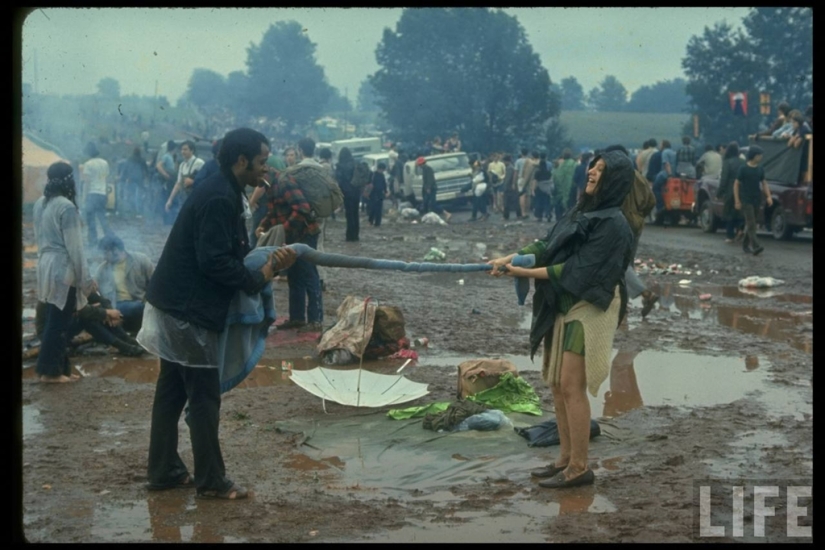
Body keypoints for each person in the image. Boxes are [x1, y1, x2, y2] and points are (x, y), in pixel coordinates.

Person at [138, 127, 297, 500]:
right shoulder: (220, 198)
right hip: (187, 313)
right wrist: (261, 275)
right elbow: (214, 262)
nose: (266, 168)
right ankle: (210, 480)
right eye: (261, 162)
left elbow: (225, 251)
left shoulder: (223, 190)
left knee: (171, 392)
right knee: (204, 397)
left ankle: (163, 470)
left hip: (174, 303)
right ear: (241, 161)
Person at [488, 150, 635, 489]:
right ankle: (565, 459)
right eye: (593, 167)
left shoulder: (614, 225)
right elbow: (547, 245)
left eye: (601, 170)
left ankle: (580, 468)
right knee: (556, 384)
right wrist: (510, 258)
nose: (592, 173)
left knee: (571, 386)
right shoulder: (581, 210)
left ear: (614, 180)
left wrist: (522, 272)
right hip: (565, 301)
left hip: (591, 305)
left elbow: (577, 270)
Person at [33, 161, 96, 383]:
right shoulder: (67, 207)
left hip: (44, 265)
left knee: (55, 318)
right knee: (59, 323)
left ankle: (61, 369)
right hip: (61, 268)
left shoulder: (40, 203)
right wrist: (86, 281)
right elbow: (76, 250)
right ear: (69, 181)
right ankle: (51, 373)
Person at [257, 137, 324, 330]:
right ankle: (297, 317)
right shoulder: (270, 185)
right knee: (294, 274)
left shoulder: (283, 182)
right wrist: (263, 225)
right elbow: (274, 211)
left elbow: (302, 208)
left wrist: (283, 229)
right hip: (293, 234)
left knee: (309, 274)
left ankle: (315, 320)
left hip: (305, 232)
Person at [604, 144, 658, 319]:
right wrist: (640, 215)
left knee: (619, 264)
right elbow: (651, 201)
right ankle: (623, 304)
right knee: (628, 264)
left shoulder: (613, 177)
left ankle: (646, 294)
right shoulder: (639, 176)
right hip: (636, 225)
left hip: (619, 224)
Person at [35, 290, 145, 357]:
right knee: (87, 318)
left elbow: (102, 300)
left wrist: (110, 312)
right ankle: (122, 346)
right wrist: (106, 312)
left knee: (100, 311)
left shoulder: (75, 288)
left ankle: (127, 340)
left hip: (63, 329)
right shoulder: (58, 292)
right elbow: (83, 311)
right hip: (50, 336)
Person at [94, 235, 154, 334]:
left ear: (115, 250)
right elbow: (96, 292)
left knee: (139, 308)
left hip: (139, 304)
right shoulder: (102, 270)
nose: (103, 257)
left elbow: (154, 284)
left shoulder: (141, 260)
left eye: (105, 253)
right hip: (115, 306)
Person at [734, 145, 773, 256]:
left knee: (751, 223)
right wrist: (737, 200)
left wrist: (768, 196)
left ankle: (745, 245)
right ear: (754, 156)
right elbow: (736, 184)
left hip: (756, 199)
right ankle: (756, 246)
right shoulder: (743, 169)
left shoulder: (760, 169)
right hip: (746, 200)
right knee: (751, 224)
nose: (761, 157)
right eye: (759, 155)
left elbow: (764, 183)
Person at [79, 141, 113, 245]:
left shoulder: (88, 164)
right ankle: (110, 238)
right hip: (102, 193)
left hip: (92, 194)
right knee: (103, 218)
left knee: (91, 219)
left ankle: (93, 241)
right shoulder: (104, 163)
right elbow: (106, 179)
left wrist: (84, 197)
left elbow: (87, 182)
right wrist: (106, 194)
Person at [165, 140, 205, 215]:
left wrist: (193, 182)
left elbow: (206, 181)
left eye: (185, 149)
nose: (182, 152)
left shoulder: (199, 163)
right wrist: (170, 200)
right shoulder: (182, 165)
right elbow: (178, 184)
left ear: (192, 150)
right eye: (182, 149)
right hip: (183, 199)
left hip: (196, 200)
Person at [717, 141, 746, 243]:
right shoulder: (743, 162)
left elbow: (724, 179)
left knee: (729, 213)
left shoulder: (727, 162)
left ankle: (730, 236)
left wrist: (719, 192)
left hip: (730, 189)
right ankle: (740, 229)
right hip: (742, 190)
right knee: (740, 212)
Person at [335, 147, 361, 242]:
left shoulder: (340, 166)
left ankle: (350, 235)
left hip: (346, 192)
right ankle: (356, 235)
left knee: (349, 214)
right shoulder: (355, 163)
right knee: (355, 213)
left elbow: (339, 180)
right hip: (356, 191)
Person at [417, 156, 451, 222]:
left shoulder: (428, 169)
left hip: (431, 189)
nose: (420, 166)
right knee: (426, 204)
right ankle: (428, 218)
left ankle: (446, 213)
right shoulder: (425, 169)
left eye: (420, 165)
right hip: (427, 189)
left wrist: (428, 188)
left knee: (433, 204)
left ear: (422, 164)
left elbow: (430, 179)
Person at [120, 146, 149, 216]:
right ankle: (139, 211)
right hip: (140, 180)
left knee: (131, 194)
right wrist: (147, 177)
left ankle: (132, 210)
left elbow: (125, 169)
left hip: (131, 179)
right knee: (139, 196)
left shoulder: (129, 159)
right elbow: (146, 170)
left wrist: (123, 178)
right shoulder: (142, 160)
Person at [155, 140, 178, 224]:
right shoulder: (166, 156)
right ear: (174, 148)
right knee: (166, 199)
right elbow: (158, 165)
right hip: (167, 183)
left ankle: (169, 219)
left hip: (171, 181)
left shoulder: (171, 157)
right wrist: (165, 175)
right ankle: (167, 219)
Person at [552, 149, 576, 221]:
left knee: (559, 203)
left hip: (560, 188)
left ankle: (559, 218)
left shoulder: (560, 165)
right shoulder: (574, 164)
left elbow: (556, 177)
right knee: (571, 203)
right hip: (572, 187)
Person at [532, 152, 553, 222]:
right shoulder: (548, 172)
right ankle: (548, 214)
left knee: (539, 202)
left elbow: (535, 181)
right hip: (547, 189)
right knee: (547, 202)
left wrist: (533, 189)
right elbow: (551, 180)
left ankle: (539, 216)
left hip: (539, 188)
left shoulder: (537, 172)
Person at [501, 154, 521, 221]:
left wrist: (504, 188)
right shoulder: (512, 167)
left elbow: (508, 179)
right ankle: (519, 215)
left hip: (509, 188)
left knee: (506, 202)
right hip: (512, 187)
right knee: (515, 202)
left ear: (506, 161)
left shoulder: (509, 168)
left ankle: (506, 216)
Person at [368, 162, 389, 227]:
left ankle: (377, 222)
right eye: (382, 169)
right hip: (373, 193)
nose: (382, 171)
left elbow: (384, 184)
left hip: (379, 194)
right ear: (379, 168)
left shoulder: (381, 175)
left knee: (379, 209)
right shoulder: (373, 175)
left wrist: (385, 191)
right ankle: (371, 220)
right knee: (373, 208)